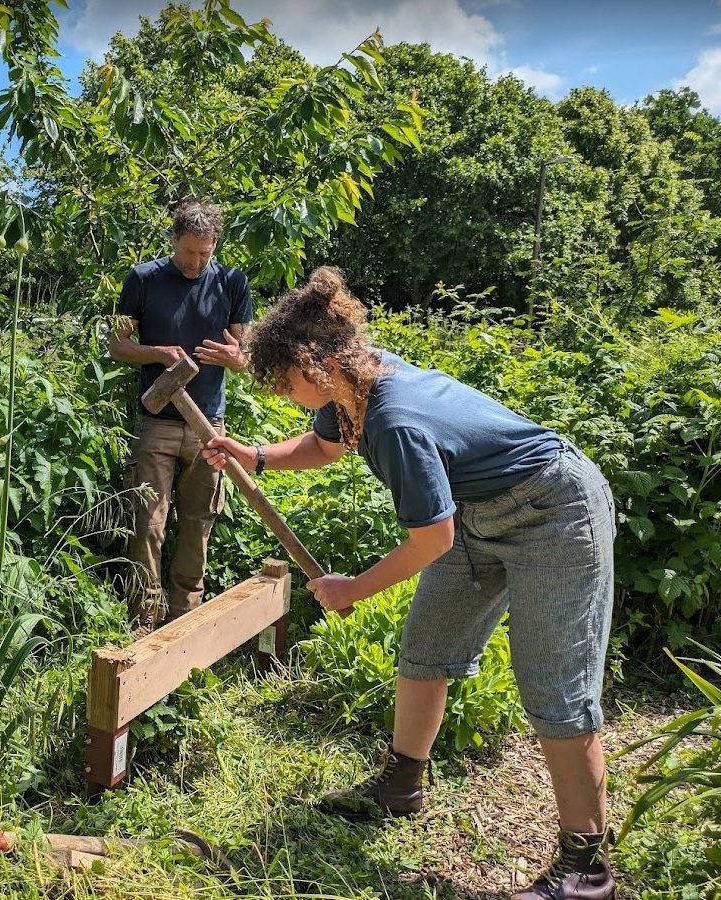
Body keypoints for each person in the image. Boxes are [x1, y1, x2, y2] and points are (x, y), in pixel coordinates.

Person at [203, 266, 617, 900]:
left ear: (317, 364)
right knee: (425, 649)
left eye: (284, 383)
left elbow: (432, 540)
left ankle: (587, 870)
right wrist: (253, 454)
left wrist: (352, 588)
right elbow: (322, 448)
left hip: (554, 514)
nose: (284, 396)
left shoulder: (394, 420)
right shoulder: (358, 384)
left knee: (555, 688)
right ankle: (402, 784)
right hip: (481, 512)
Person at [108, 200, 253, 634]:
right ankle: (143, 619)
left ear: (215, 247)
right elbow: (117, 346)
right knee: (147, 521)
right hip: (157, 424)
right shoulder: (143, 279)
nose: (195, 262)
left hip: (209, 426)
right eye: (189, 252)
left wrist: (234, 357)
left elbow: (243, 356)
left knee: (199, 521)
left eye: (204, 253)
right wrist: (156, 352)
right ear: (174, 241)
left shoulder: (232, 282)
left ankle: (185, 618)